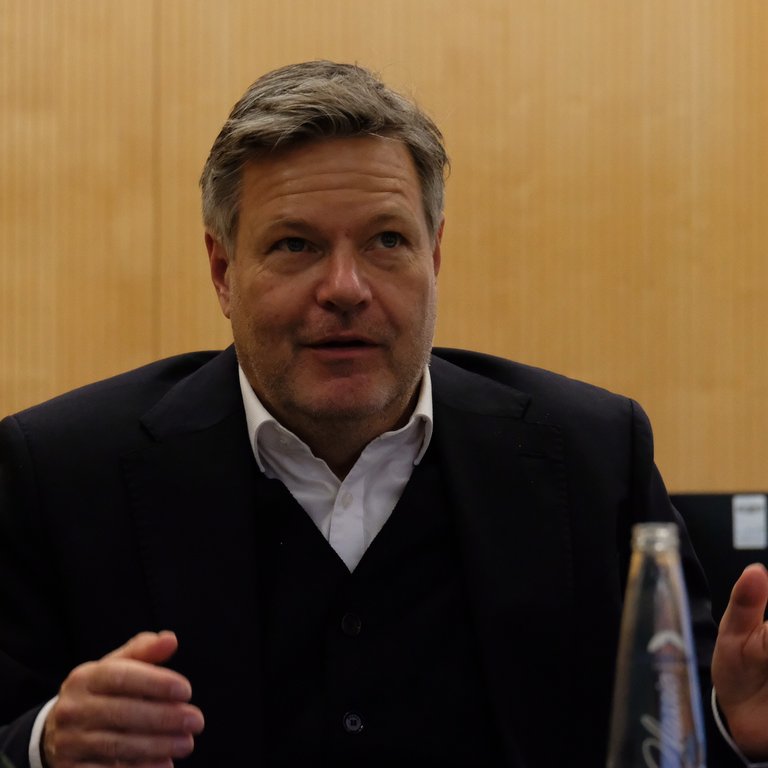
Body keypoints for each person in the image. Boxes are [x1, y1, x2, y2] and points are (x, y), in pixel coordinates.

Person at [0, 59, 766, 768]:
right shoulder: (62, 471)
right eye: (295, 245)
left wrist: (735, 729)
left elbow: (672, 734)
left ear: (434, 258)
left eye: (386, 242)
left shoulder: (590, 457)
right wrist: (42, 744)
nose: (345, 287)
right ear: (223, 270)